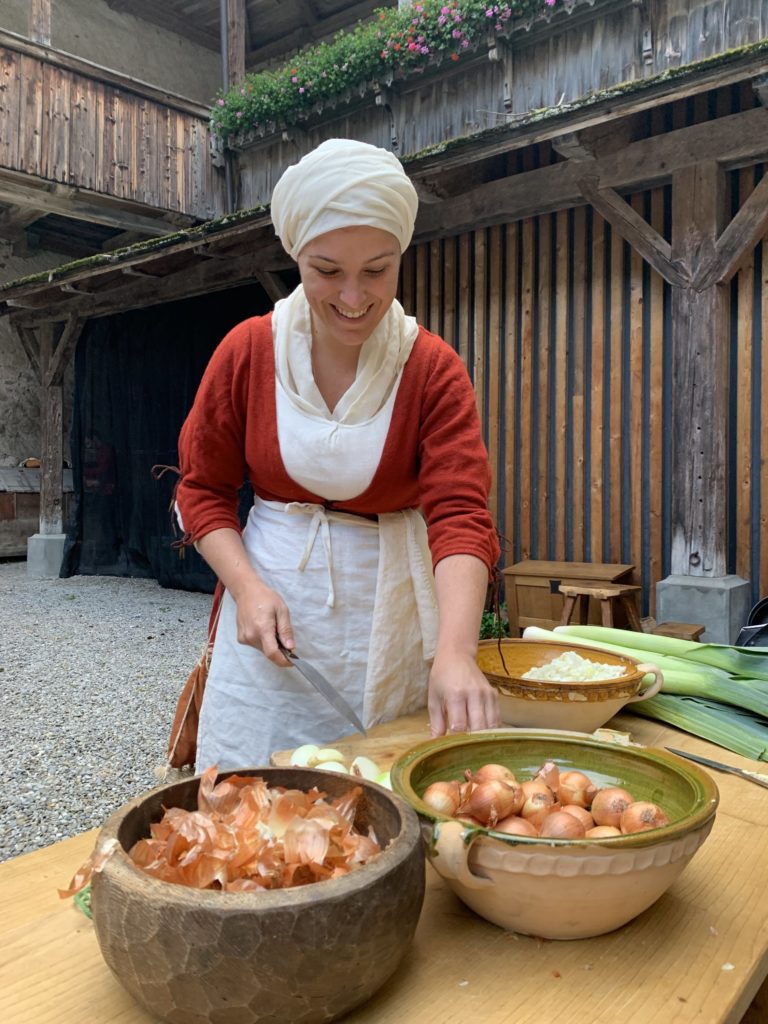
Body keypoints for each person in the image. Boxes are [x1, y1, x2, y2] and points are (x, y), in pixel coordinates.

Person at [175, 138, 501, 770]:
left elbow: (460, 514)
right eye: (327, 270)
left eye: (377, 270)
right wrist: (245, 589)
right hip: (270, 610)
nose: (354, 298)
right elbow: (202, 492)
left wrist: (459, 652)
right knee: (251, 790)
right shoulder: (247, 352)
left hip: (389, 618)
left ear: (401, 257)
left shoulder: (430, 369)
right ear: (296, 255)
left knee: (376, 799)